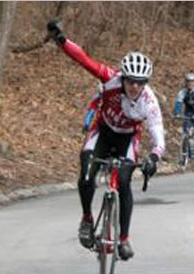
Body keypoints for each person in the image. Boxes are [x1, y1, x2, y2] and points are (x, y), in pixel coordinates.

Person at [47, 21, 165, 261]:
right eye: (130, 80)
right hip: (102, 130)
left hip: (128, 138)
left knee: (123, 182)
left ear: (146, 83)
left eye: (140, 83)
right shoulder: (110, 79)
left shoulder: (149, 102)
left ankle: (124, 239)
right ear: (123, 78)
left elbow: (158, 134)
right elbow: (84, 59)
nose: (134, 86)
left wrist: (153, 157)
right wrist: (61, 40)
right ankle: (87, 218)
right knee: (87, 172)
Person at [173, 73, 194, 148]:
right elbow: (178, 104)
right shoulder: (182, 92)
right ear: (185, 82)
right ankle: (186, 144)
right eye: (188, 81)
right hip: (188, 110)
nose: (190, 83)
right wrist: (177, 113)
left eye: (192, 82)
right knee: (186, 126)